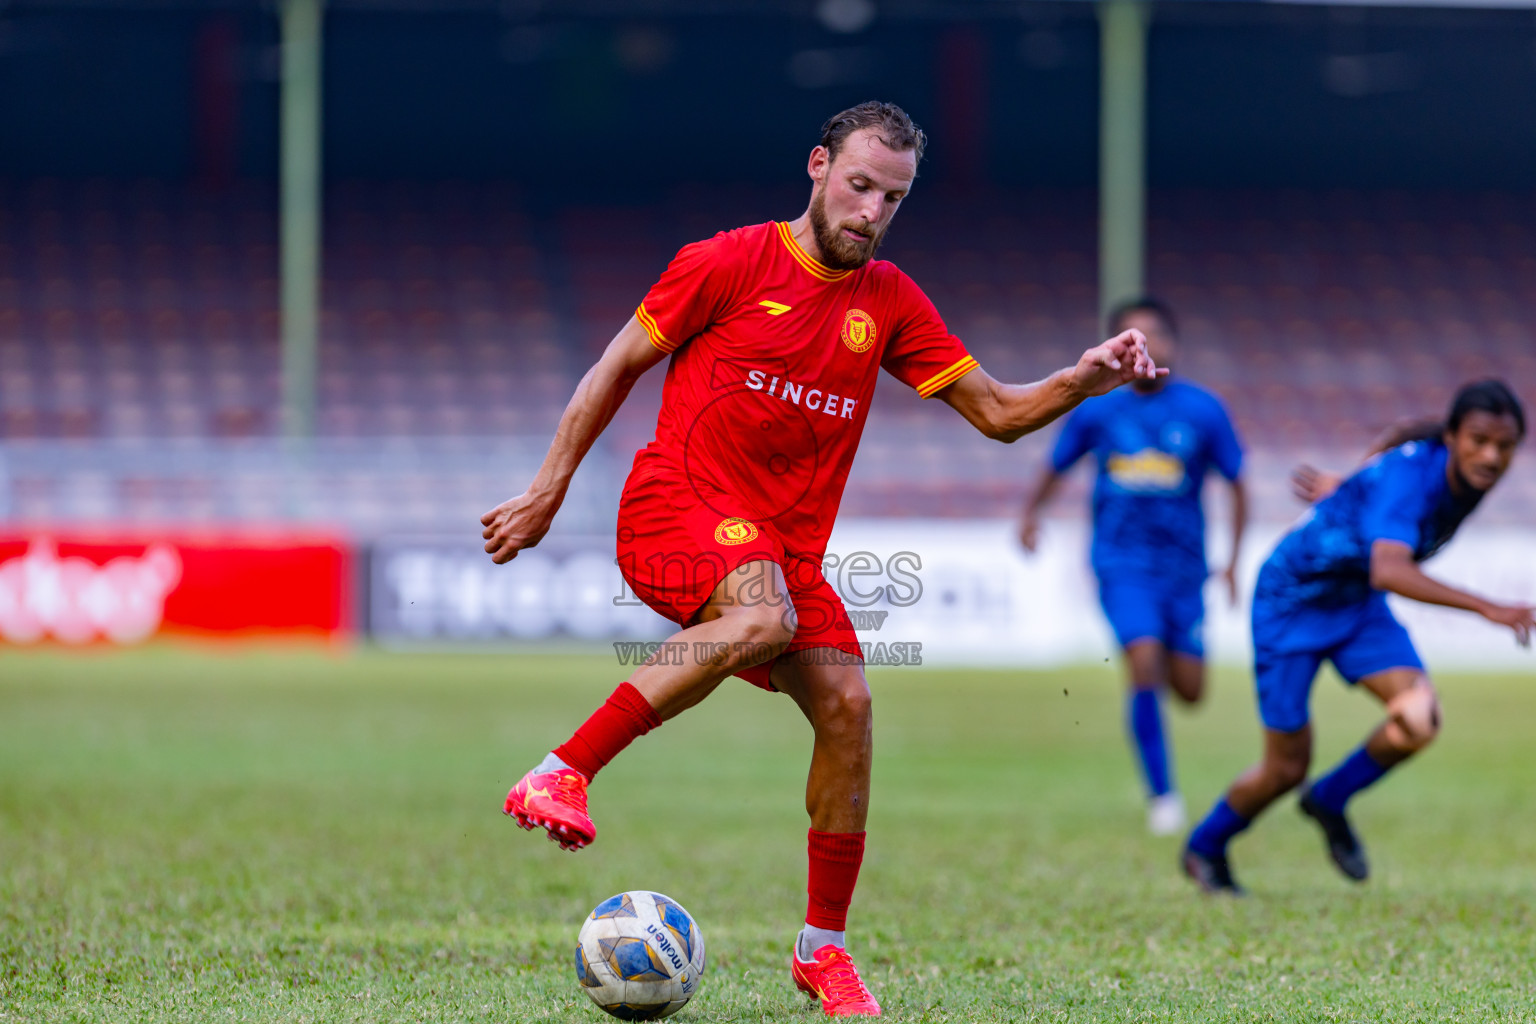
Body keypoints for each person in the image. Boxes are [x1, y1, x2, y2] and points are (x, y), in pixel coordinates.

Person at [481, 101, 1164, 1017]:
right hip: (674, 505)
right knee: (764, 615)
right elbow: (613, 366)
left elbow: (999, 413)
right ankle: (562, 770)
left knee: (848, 706)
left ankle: (822, 950)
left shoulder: (889, 301)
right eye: (859, 185)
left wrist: (1086, 378)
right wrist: (548, 490)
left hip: (780, 547)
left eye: (893, 196)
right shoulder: (725, 260)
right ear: (818, 167)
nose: (872, 210)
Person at [1182, 380, 1532, 895]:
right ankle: (1205, 847)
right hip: (1291, 602)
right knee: (1285, 768)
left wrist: (1351, 487)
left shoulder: (1450, 473)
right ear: (1452, 436)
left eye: (1504, 446)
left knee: (1417, 720)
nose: (1491, 456)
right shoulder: (1416, 478)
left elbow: (1390, 459)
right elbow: (1390, 571)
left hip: (1355, 604)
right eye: (1479, 440)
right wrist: (1489, 607)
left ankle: (1329, 799)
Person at [1019, 298, 1246, 835]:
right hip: (1121, 564)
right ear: (1114, 348)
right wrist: (1032, 514)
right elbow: (1056, 465)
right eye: (1131, 338)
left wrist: (1233, 561)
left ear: (1172, 345)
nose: (1144, 347)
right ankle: (1163, 796)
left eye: (1154, 337)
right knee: (1143, 662)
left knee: (1189, 691)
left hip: (1185, 570)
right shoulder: (1099, 409)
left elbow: (1237, 483)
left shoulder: (1204, 411)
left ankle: (1159, 656)